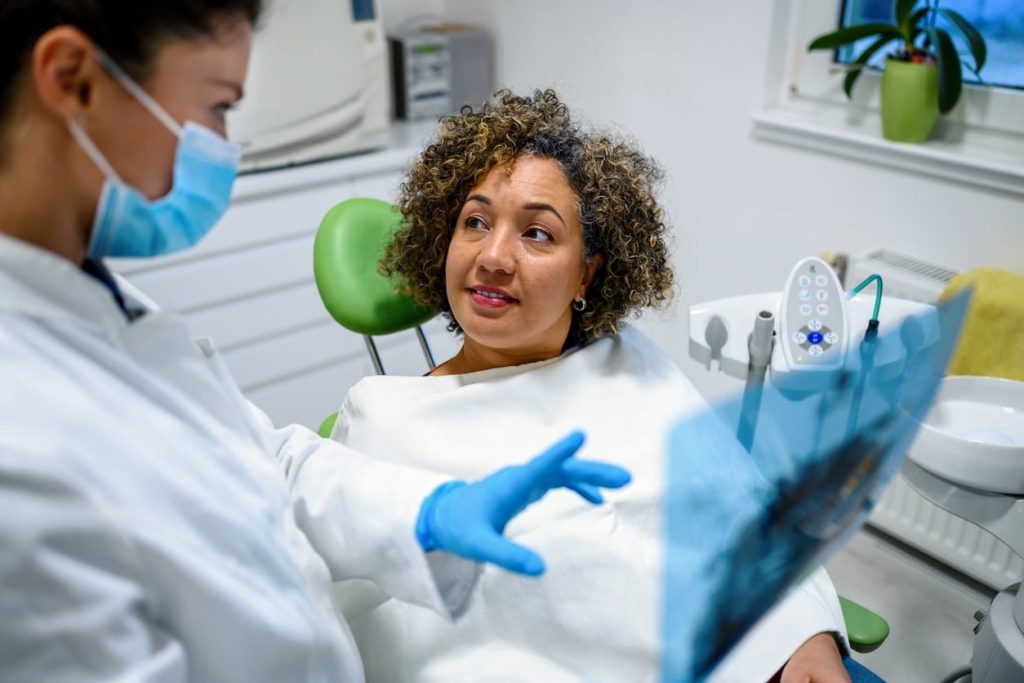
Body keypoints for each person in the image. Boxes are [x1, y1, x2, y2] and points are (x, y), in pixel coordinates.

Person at [0, 3, 633, 681]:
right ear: (72, 78)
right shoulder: (22, 460)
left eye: (538, 232)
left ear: (587, 273)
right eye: (217, 108)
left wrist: (430, 513)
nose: (223, 148)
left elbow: (266, 459)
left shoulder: (92, 295)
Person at [330, 90, 852, 682]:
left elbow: (742, 506)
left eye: (537, 234)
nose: (494, 256)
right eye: (474, 222)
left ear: (588, 272)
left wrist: (802, 631)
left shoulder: (628, 362)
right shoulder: (384, 419)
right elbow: (383, 629)